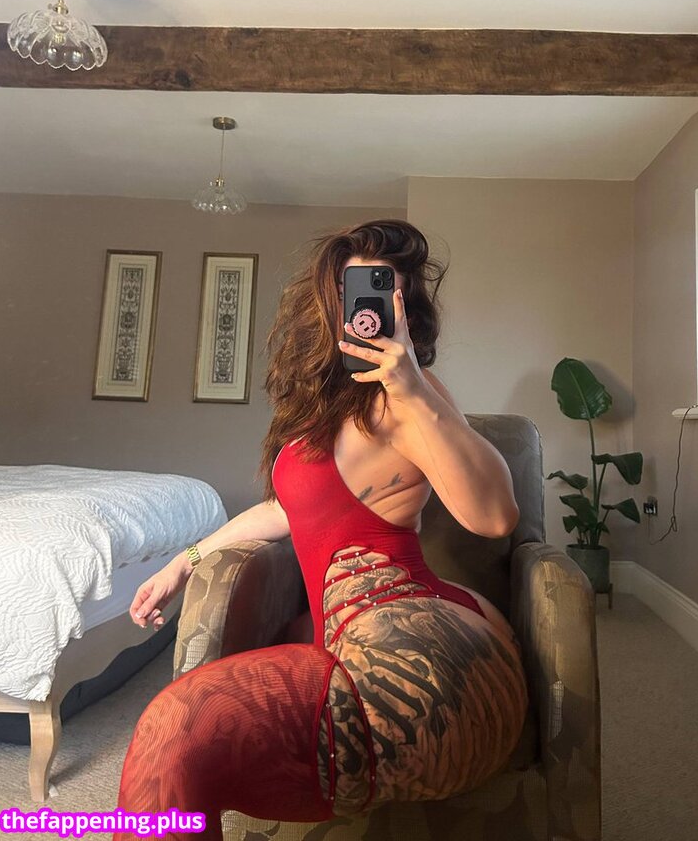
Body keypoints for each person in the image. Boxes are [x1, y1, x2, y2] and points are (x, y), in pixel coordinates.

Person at [114, 219, 529, 841]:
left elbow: (494, 516)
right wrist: (184, 561)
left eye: (388, 289)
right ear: (326, 302)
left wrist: (414, 390)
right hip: (361, 634)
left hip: (421, 658)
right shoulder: (322, 407)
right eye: (354, 288)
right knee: (197, 747)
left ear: (406, 306)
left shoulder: (404, 399)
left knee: (175, 727)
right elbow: (286, 511)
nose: (369, 306)